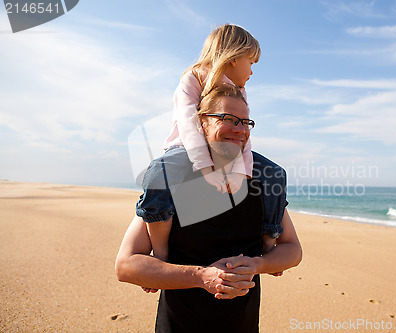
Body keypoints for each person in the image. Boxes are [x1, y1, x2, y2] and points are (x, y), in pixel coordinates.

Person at [115, 84, 302, 332]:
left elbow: (292, 249)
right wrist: (202, 277)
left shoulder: (260, 185)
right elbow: (126, 265)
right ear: (201, 123)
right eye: (228, 119)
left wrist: (258, 264)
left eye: (245, 122)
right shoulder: (175, 181)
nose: (239, 129)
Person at [153, 24, 280, 266]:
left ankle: (269, 237)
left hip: (227, 150)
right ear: (233, 58)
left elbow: (244, 132)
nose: (252, 72)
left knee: (276, 174)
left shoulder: (240, 90)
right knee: (156, 175)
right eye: (250, 63)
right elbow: (189, 125)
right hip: (185, 148)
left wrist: (241, 172)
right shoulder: (194, 78)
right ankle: (160, 250)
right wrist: (206, 169)